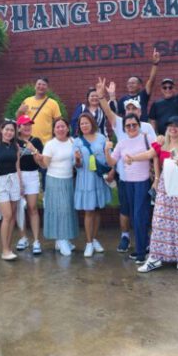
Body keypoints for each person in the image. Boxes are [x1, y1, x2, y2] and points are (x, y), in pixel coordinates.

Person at [128, 115, 178, 272]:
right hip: (165, 185)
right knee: (160, 221)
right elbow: (149, 154)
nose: (173, 128)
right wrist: (133, 158)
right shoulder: (162, 144)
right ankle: (156, 258)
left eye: (176, 126)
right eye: (170, 125)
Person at [96, 77, 156, 254]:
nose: (131, 111)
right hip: (124, 176)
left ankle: (144, 241)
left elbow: (155, 150)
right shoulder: (121, 124)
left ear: (140, 111)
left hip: (143, 176)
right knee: (125, 209)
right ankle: (125, 237)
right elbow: (108, 111)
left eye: (134, 108)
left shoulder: (146, 128)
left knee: (142, 211)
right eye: (128, 108)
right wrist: (101, 96)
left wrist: (155, 172)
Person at [106, 114, 153, 263]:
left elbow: (155, 154)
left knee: (140, 216)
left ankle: (141, 253)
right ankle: (143, 247)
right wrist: (106, 150)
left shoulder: (146, 138)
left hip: (143, 182)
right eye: (128, 125)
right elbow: (112, 162)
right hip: (128, 183)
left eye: (134, 125)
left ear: (139, 125)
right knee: (134, 216)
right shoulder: (122, 143)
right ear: (124, 128)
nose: (131, 127)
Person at [73, 113, 112, 257]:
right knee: (89, 211)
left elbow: (109, 158)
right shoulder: (77, 142)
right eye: (81, 123)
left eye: (86, 122)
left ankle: (94, 239)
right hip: (85, 179)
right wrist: (77, 159)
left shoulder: (101, 138)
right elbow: (76, 165)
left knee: (97, 209)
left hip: (99, 178)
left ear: (92, 123)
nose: (84, 125)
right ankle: (88, 243)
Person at [41, 118, 78, 256]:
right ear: (54, 130)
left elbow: (76, 162)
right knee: (60, 210)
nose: (61, 129)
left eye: (63, 126)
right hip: (54, 180)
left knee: (67, 210)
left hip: (68, 180)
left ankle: (63, 239)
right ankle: (61, 239)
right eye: (58, 127)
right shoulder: (50, 145)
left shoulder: (73, 142)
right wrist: (38, 158)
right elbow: (44, 165)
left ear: (68, 128)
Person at [0, 120, 23, 261]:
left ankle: (8, 247)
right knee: (7, 215)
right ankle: (4, 250)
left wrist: (20, 184)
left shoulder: (15, 146)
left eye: (12, 130)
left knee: (12, 216)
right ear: (1, 129)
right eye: (7, 129)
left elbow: (17, 166)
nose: (9, 132)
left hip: (13, 181)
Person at [15, 114, 44, 254]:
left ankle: (36, 240)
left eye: (29, 124)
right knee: (20, 207)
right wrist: (19, 179)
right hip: (17, 175)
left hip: (32, 175)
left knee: (32, 208)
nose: (27, 127)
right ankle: (23, 238)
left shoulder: (36, 141)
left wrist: (33, 149)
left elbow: (41, 161)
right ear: (19, 127)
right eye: (24, 125)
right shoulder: (14, 142)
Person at [148, 52, 178, 135]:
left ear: (174, 88)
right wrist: (154, 136)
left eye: (170, 87)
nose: (167, 89)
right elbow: (153, 121)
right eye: (165, 87)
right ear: (161, 90)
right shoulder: (156, 104)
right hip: (163, 138)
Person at [116, 48, 160, 121]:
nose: (130, 85)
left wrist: (155, 64)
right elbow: (118, 115)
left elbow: (151, 81)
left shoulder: (143, 95)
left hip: (142, 125)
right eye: (129, 83)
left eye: (133, 83)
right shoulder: (123, 100)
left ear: (139, 85)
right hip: (129, 126)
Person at [17, 77, 62, 145]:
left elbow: (58, 123)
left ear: (47, 88)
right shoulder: (27, 101)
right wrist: (20, 112)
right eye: (39, 84)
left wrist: (55, 139)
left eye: (44, 85)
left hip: (46, 143)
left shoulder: (53, 103)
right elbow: (19, 120)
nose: (41, 86)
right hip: (29, 142)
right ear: (35, 86)